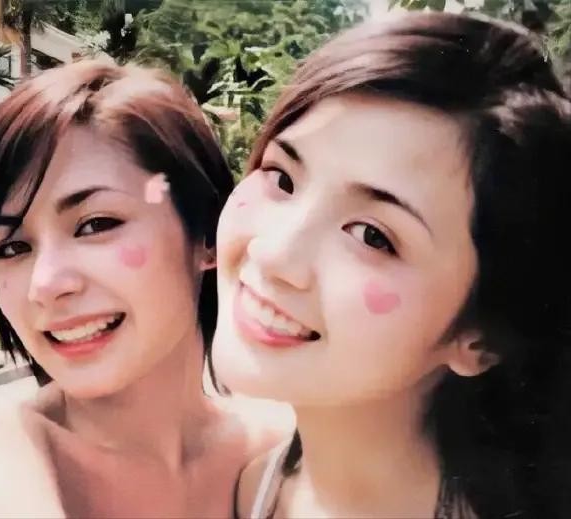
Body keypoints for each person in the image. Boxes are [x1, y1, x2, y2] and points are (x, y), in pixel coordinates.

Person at [212, 12, 571, 519]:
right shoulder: (252, 491)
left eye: (372, 236)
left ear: (481, 338)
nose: (273, 253)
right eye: (283, 177)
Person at [0, 60, 293, 518]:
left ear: (207, 233)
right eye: (13, 247)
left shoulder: (286, 463)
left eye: (96, 224)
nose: (46, 285)